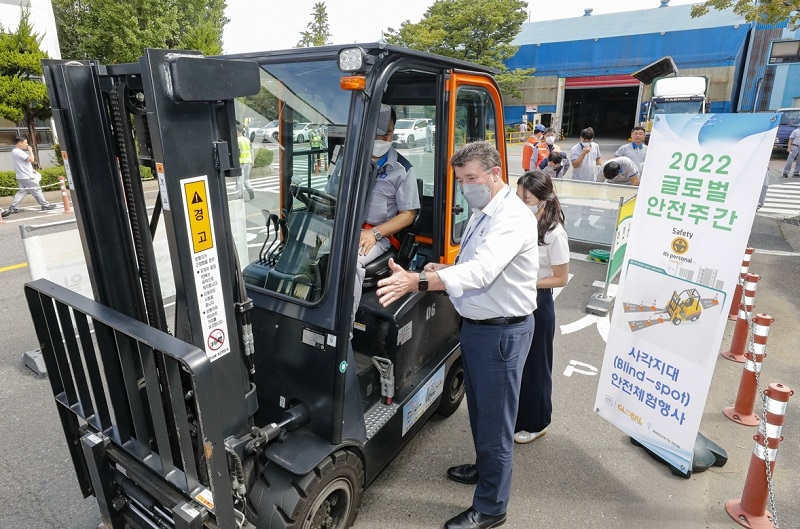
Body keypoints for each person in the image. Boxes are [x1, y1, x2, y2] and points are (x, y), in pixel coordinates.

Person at [375, 141, 539, 529]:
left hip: (501, 333)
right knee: (482, 411)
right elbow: (472, 263)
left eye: (471, 178)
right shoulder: (486, 210)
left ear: (495, 174)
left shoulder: (511, 218)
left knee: (496, 423)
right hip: (481, 328)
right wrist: (442, 268)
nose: (465, 187)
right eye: (460, 179)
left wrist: (420, 280)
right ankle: (485, 469)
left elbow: (482, 274)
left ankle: (491, 507)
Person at [328, 104, 420, 327]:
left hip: (378, 235)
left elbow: (407, 215)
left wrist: (375, 234)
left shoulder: (401, 169)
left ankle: (343, 328)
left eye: (387, 133)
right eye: (377, 133)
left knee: (351, 261)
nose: (382, 137)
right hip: (345, 226)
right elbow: (331, 194)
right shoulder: (349, 160)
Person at [514, 170, 570, 444]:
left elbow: (561, 277)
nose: (520, 201)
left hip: (537, 301)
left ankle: (537, 423)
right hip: (514, 297)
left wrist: (527, 281)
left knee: (536, 365)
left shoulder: (554, 233)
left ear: (544, 200)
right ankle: (518, 416)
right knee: (517, 363)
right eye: (518, 196)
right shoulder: (517, 222)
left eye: (526, 198)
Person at [7, 136, 56, 214]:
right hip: (27, 176)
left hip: (21, 176)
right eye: (25, 142)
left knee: (22, 191)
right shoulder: (18, 151)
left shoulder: (14, 151)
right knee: (37, 190)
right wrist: (30, 151)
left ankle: (14, 207)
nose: (27, 144)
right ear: (20, 143)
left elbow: (22, 164)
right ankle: (45, 205)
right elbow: (32, 160)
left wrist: (32, 170)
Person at [236, 126, 255, 200]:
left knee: (239, 179)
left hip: (241, 162)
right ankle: (250, 189)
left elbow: (236, 152)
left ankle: (240, 195)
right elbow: (251, 151)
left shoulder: (237, 140)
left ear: (237, 131)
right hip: (248, 161)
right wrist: (252, 161)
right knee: (246, 178)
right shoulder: (247, 140)